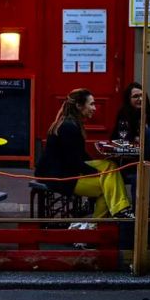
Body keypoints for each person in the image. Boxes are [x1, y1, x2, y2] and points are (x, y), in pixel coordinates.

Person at [35, 88, 133, 218]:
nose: (95, 108)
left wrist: (98, 170)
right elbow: (74, 163)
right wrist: (97, 173)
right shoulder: (69, 127)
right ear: (79, 106)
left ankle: (120, 209)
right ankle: (97, 226)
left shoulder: (72, 123)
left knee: (111, 165)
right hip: (61, 177)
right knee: (108, 189)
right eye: (91, 104)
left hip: (67, 170)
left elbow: (80, 156)